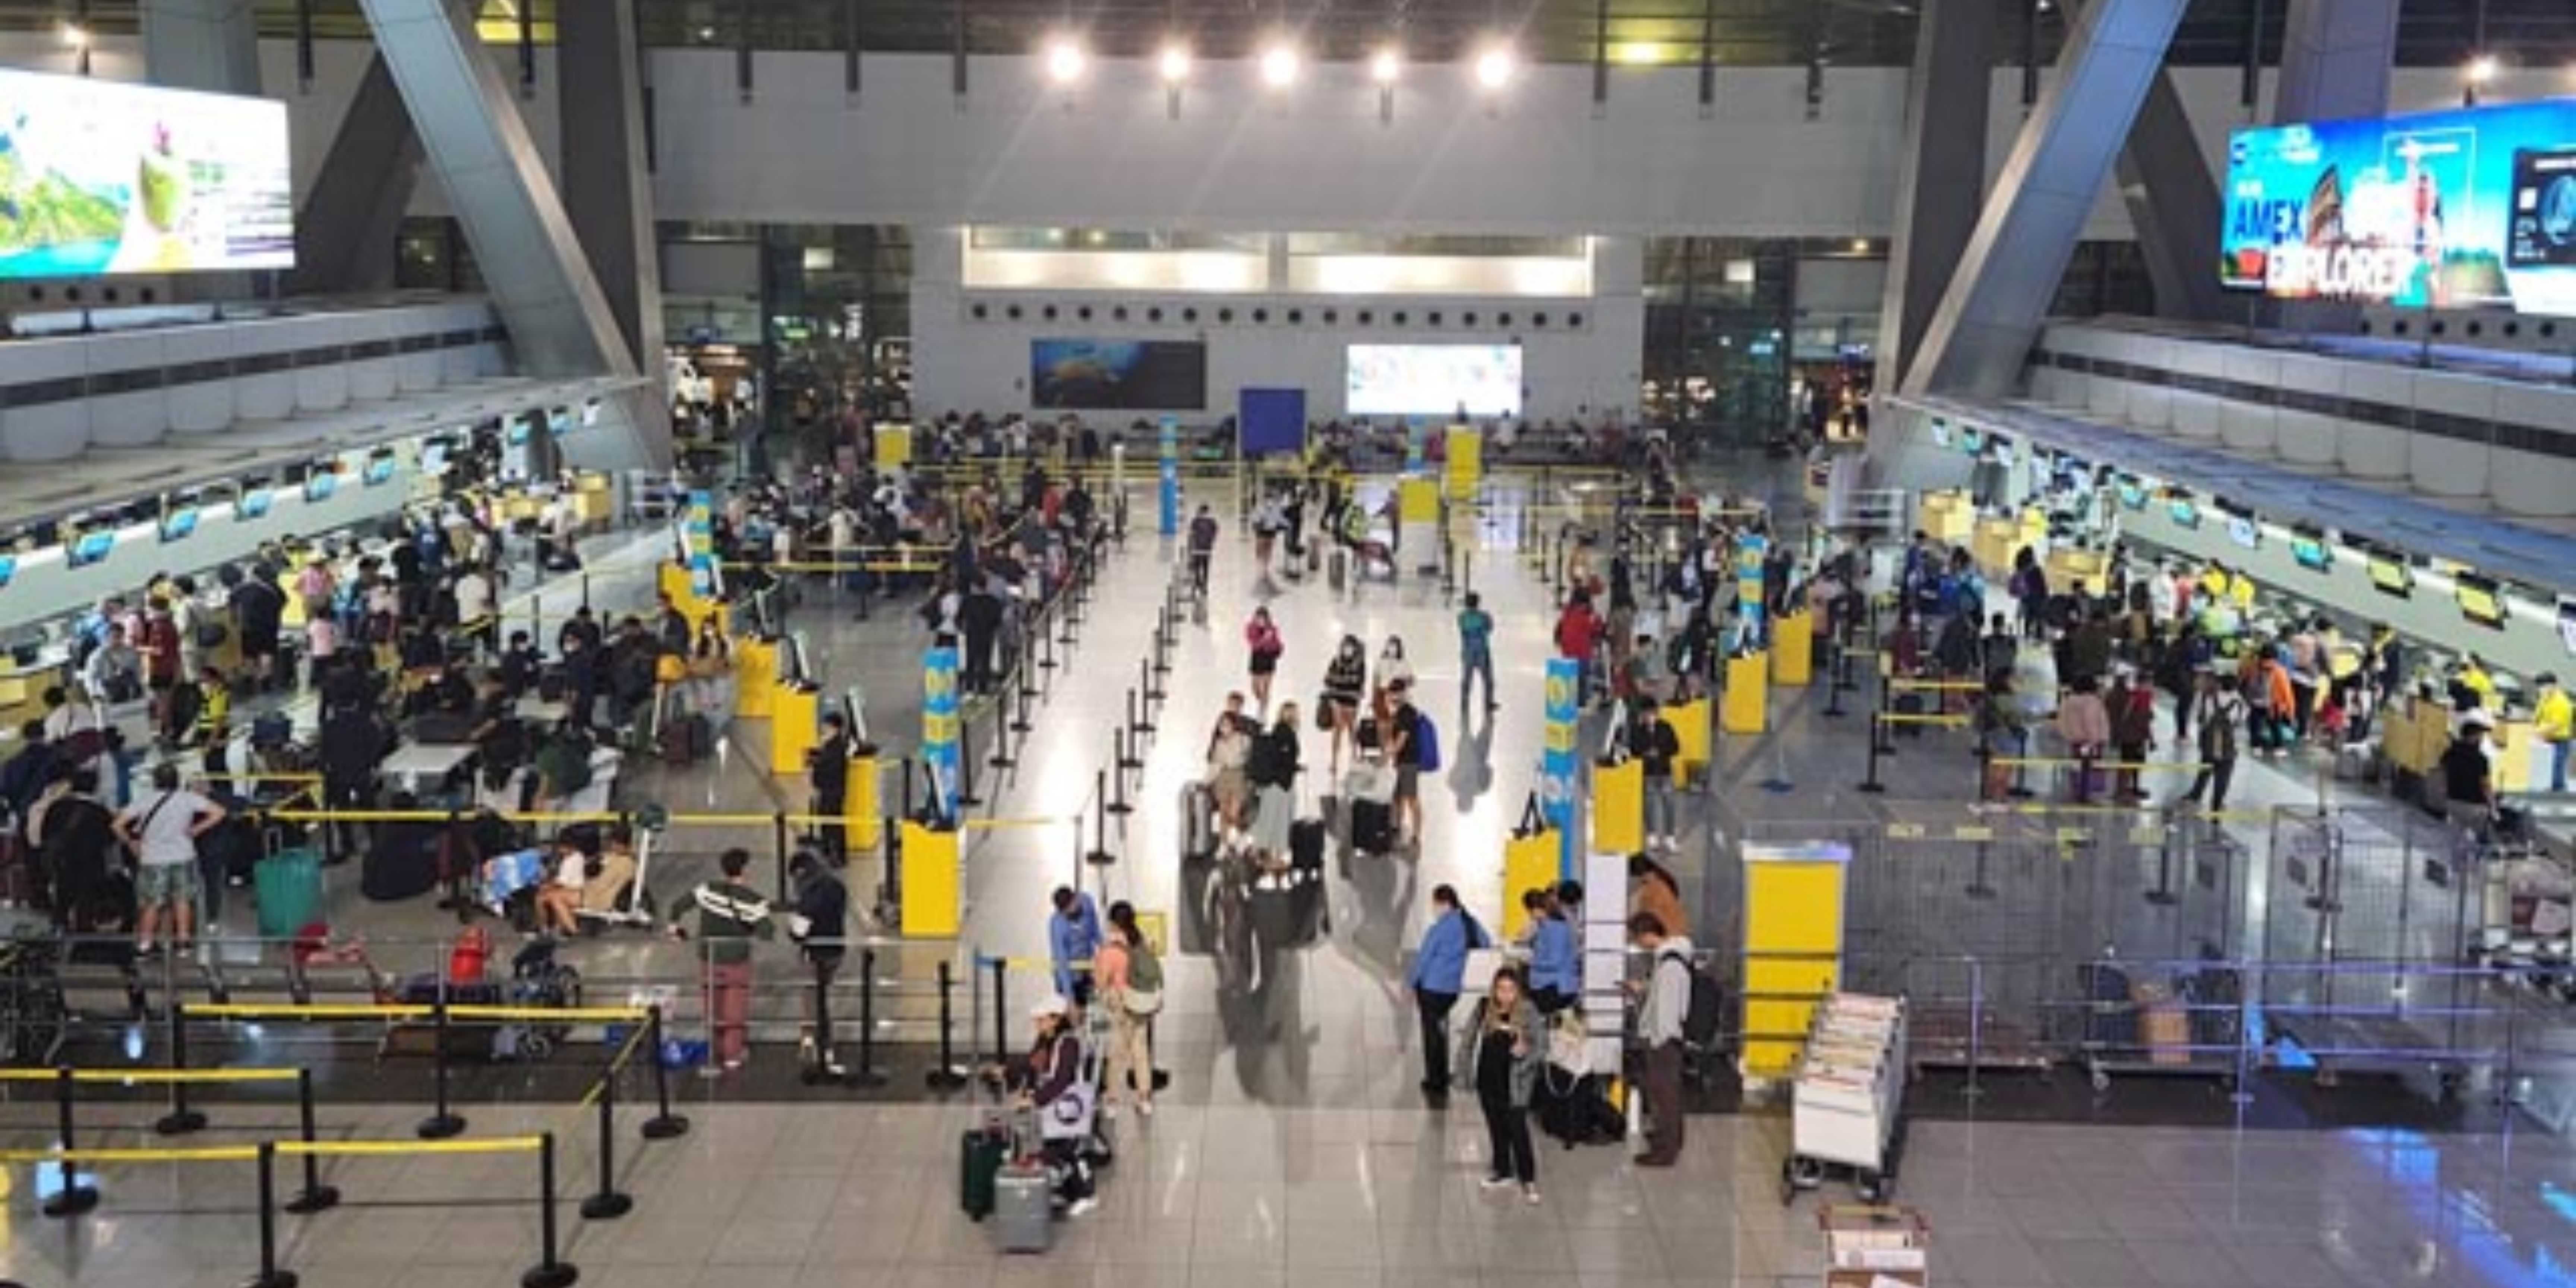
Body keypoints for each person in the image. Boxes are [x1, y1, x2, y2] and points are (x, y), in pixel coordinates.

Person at [114, 763, 225, 954]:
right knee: (182, 900)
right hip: (183, 855)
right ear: (177, 780)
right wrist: (196, 830)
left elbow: (117, 825)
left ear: (156, 782)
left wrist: (131, 843)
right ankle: (183, 943)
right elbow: (219, 812)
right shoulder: (188, 799)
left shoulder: (144, 800)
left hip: (153, 858)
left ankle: (146, 944)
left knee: (152, 902)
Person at [678, 848, 773, 1072]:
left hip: (709, 958)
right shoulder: (754, 901)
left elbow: (678, 906)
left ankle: (715, 1049)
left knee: (713, 1006)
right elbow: (767, 933)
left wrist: (675, 928)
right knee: (735, 1009)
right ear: (745, 870)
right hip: (736, 960)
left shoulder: (708, 890)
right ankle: (733, 1056)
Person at [1461, 965, 1545, 1205]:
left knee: (1518, 1129)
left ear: (1519, 991)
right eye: (1501, 989)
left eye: (1510, 990)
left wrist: (1524, 1054)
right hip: (1488, 1080)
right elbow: (1468, 1040)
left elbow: (1541, 1047)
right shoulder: (1484, 1008)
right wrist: (1463, 1074)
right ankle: (1503, 1170)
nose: (1505, 995)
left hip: (1515, 1083)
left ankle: (1528, 1178)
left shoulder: (1528, 1012)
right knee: (1496, 1127)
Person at [1007, 995, 1098, 1215]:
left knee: (1061, 1148)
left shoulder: (1068, 1044)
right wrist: (1019, 1081)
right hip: (1052, 1103)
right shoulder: (1046, 1040)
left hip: (1065, 1107)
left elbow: (1062, 1081)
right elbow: (1032, 1064)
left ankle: (1084, 1194)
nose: (1037, 1024)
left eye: (1041, 1020)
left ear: (1056, 1020)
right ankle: (1064, 1188)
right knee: (1051, 1148)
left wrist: (1034, 1099)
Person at [1406, 884, 1486, 1096]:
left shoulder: (1439, 929)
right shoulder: (1468, 923)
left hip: (1432, 987)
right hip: (1452, 989)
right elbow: (1485, 942)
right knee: (1440, 1032)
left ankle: (1436, 1080)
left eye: (1435, 904)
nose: (1434, 909)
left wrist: (1411, 983)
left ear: (1443, 904)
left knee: (1432, 1035)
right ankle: (1441, 1075)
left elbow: (1424, 958)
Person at [1628, 910, 1692, 1167]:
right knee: (1669, 1093)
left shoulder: (1669, 966)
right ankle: (1671, 1138)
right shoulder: (1670, 960)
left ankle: (1666, 1151)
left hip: (1665, 1040)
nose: (1636, 944)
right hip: (1669, 1038)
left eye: (1637, 938)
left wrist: (1656, 1040)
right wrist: (1643, 989)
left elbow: (1666, 1011)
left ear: (1647, 936)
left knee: (1664, 1095)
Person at [786, 849, 849, 1078]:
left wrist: (791, 928)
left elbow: (798, 932)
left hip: (814, 953)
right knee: (820, 997)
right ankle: (817, 1044)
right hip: (836, 950)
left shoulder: (809, 895)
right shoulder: (837, 886)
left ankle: (817, 1046)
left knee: (813, 1000)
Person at [1098, 901, 1160, 1117]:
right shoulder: (1141, 942)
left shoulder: (1110, 950)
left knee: (1117, 1053)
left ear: (1114, 923)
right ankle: (1144, 1099)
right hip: (1142, 1003)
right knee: (1140, 1052)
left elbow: (1101, 981)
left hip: (1120, 1002)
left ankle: (1112, 1101)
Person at [2181, 672, 2246, 818]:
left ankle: (2196, 795)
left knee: (2205, 768)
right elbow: (2241, 723)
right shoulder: (2239, 702)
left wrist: (2189, 734)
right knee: (2224, 776)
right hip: (2229, 746)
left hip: (2208, 743)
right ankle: (2217, 802)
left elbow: (2194, 715)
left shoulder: (2206, 697)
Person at [1626, 696, 1683, 850]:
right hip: (1648, 772)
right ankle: (1652, 834)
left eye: (1652, 713)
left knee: (1669, 803)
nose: (1649, 716)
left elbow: (1676, 747)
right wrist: (1646, 753)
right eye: (1646, 714)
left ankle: (1670, 836)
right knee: (1649, 804)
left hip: (1665, 771)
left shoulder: (1666, 727)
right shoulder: (1637, 731)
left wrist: (1662, 752)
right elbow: (1633, 750)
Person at [1519, 888, 1579, 1014]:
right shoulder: (1545, 927)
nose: (1530, 916)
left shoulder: (1555, 928)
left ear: (1537, 909)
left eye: (1530, 911)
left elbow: (1555, 962)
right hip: (1548, 986)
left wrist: (1531, 962)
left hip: (1554, 987)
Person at [2055, 675, 2112, 805]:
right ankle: (2087, 796)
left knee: (2077, 768)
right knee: (2092, 768)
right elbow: (2090, 721)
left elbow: (2062, 721)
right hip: (2090, 740)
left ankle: (2077, 793)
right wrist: (2094, 740)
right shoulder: (2091, 701)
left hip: (2074, 740)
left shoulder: (2068, 701)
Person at [2442, 713, 2498, 835]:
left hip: (2453, 802)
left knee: (2457, 838)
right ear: (2474, 736)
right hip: (2475, 806)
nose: (2482, 739)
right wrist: (2494, 809)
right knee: (2482, 839)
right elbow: (2486, 786)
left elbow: (2442, 772)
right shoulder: (2481, 759)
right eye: (2480, 735)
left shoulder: (2450, 754)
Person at [2107, 668, 2156, 805]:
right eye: (2149, 683)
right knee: (2128, 762)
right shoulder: (2135, 696)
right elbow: (2130, 716)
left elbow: (2145, 717)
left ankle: (2133, 787)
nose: (2151, 686)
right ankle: (2121, 790)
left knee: (2137, 762)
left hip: (2139, 736)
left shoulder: (2146, 697)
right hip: (2132, 736)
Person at [1320, 635, 1368, 774]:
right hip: (1338, 699)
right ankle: (1334, 760)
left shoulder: (1360, 664)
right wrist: (1345, 681)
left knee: (1351, 728)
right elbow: (1328, 679)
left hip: (1351, 700)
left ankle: (1354, 754)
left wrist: (1340, 681)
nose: (1347, 650)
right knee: (1338, 729)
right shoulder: (1336, 661)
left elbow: (1358, 681)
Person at [1049, 885, 1104, 1005]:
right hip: (1068, 976)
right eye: (1067, 913)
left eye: (1072, 908)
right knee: (1071, 1013)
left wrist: (1105, 950)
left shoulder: (1087, 901)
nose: (1071, 913)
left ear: (1075, 899)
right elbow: (1061, 960)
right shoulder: (1057, 925)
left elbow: (1095, 929)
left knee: (1092, 1007)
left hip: (1087, 968)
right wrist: (1070, 1000)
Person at [809, 711, 852, 864]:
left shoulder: (837, 747)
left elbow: (830, 767)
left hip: (833, 790)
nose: (823, 728)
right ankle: (828, 849)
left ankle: (837, 854)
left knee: (833, 822)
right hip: (828, 789)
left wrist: (817, 763)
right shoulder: (830, 745)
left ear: (835, 728)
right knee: (827, 821)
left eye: (826, 726)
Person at [1629, 854, 1689, 941]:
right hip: (1674, 936)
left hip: (1668, 938)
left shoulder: (1653, 889)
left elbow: (1650, 916)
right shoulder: (1662, 884)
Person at [535, 837, 587, 937]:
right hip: (571, 890)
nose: (560, 851)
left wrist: (547, 886)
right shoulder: (579, 856)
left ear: (568, 847)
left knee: (543, 898)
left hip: (572, 891)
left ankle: (547, 928)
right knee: (548, 898)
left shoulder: (570, 861)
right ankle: (553, 928)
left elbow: (562, 882)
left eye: (561, 848)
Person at [1457, 592, 1497, 713]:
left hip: (1468, 650)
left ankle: (1464, 703)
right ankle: (1489, 703)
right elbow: (1490, 629)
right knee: (1488, 680)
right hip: (1482, 651)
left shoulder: (1462, 617)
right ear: (1478, 603)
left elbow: (1462, 632)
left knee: (1467, 679)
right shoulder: (1485, 617)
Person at [2537, 673, 2573, 795]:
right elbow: (2539, 715)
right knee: (2548, 769)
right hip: (2547, 739)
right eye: (2541, 686)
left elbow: (2557, 724)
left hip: (2560, 739)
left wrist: (2540, 731)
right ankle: (2552, 789)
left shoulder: (2562, 702)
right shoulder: (2545, 699)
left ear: (2554, 685)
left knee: (2557, 769)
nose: (2542, 689)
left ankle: (2559, 793)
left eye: (2545, 686)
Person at [1243, 607, 1284, 712]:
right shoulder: (1251, 628)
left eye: (1263, 618)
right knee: (1255, 687)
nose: (1261, 621)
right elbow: (1254, 644)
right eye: (1259, 618)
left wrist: (1276, 646)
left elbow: (1277, 643)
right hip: (1257, 658)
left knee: (1267, 686)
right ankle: (1261, 700)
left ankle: (1264, 707)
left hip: (1269, 657)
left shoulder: (1273, 629)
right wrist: (1264, 639)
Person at [1186, 504, 1219, 595]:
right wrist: (1211, 544)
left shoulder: (1196, 521)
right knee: (1206, 568)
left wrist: (1190, 549)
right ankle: (1205, 586)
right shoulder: (1213, 522)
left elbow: (1191, 536)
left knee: (1197, 567)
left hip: (1197, 549)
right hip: (1207, 550)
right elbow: (1214, 536)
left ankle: (1198, 583)